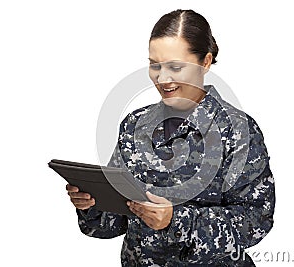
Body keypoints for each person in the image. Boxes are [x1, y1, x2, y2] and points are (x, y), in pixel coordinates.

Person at [66, 9, 275, 267]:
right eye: (155, 65)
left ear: (206, 62)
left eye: (176, 67)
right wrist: (92, 204)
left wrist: (175, 221)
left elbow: (256, 220)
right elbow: (112, 225)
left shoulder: (237, 130)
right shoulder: (135, 125)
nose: (162, 78)